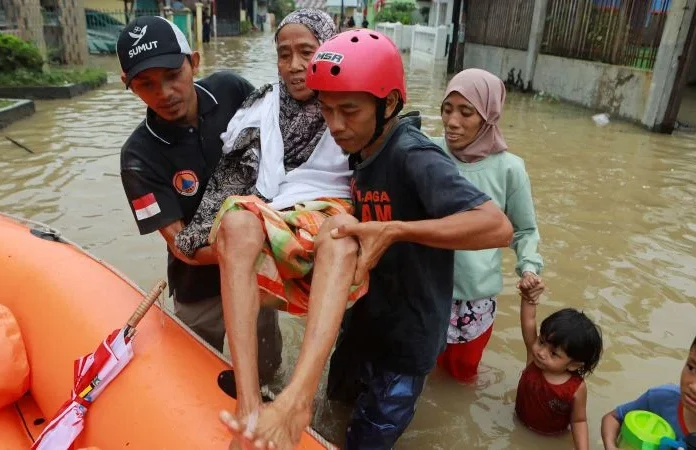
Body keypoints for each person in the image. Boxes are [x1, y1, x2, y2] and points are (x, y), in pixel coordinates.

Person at [170, 9, 362, 450]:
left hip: (330, 223)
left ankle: (299, 398)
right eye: (284, 54)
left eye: (307, 53)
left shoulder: (355, 103)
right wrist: (198, 235)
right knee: (236, 220)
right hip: (279, 223)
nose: (294, 65)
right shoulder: (259, 106)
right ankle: (249, 401)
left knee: (342, 231)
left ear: (329, 50)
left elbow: (380, 173)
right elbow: (230, 179)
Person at [310, 30, 511, 450]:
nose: (335, 125)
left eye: (348, 110)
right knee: (332, 411)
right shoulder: (361, 146)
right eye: (326, 110)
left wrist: (398, 229)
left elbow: (496, 226)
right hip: (362, 321)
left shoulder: (413, 154)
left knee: (367, 439)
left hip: (406, 339)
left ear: (389, 104)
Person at [115, 16, 282, 383]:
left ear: (194, 61)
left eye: (173, 74)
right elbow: (179, 244)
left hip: (259, 276)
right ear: (129, 87)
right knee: (194, 381)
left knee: (265, 371)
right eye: (146, 84)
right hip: (199, 291)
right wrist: (250, 251)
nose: (165, 93)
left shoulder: (232, 90)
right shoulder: (138, 157)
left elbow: (279, 150)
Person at [431, 68, 545, 383]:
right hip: (425, 288)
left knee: (460, 377)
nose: (452, 121)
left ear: (488, 116)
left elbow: (524, 230)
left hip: (473, 299)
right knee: (417, 370)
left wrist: (529, 268)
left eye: (466, 112)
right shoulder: (427, 152)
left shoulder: (510, 169)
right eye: (447, 109)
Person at [516, 297, 603, 449]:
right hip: (518, 422)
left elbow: (579, 421)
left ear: (574, 365)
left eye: (553, 353)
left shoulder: (576, 388)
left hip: (551, 438)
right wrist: (527, 295)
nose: (541, 352)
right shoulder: (534, 359)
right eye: (541, 341)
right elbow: (529, 321)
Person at [601, 335, 696, 448]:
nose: (693, 387)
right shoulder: (661, 399)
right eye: (691, 367)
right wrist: (611, 446)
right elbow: (613, 418)